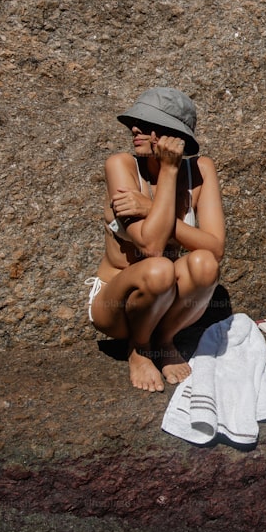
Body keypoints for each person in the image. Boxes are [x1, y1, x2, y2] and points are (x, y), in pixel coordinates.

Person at [86, 88, 225, 393]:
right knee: (159, 267)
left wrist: (151, 204)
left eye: (149, 124)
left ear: (176, 136)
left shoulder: (201, 170)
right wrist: (169, 173)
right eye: (135, 122)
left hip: (166, 309)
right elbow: (150, 245)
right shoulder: (120, 165)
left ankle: (163, 340)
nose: (135, 129)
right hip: (118, 307)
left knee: (204, 265)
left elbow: (215, 248)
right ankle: (139, 348)